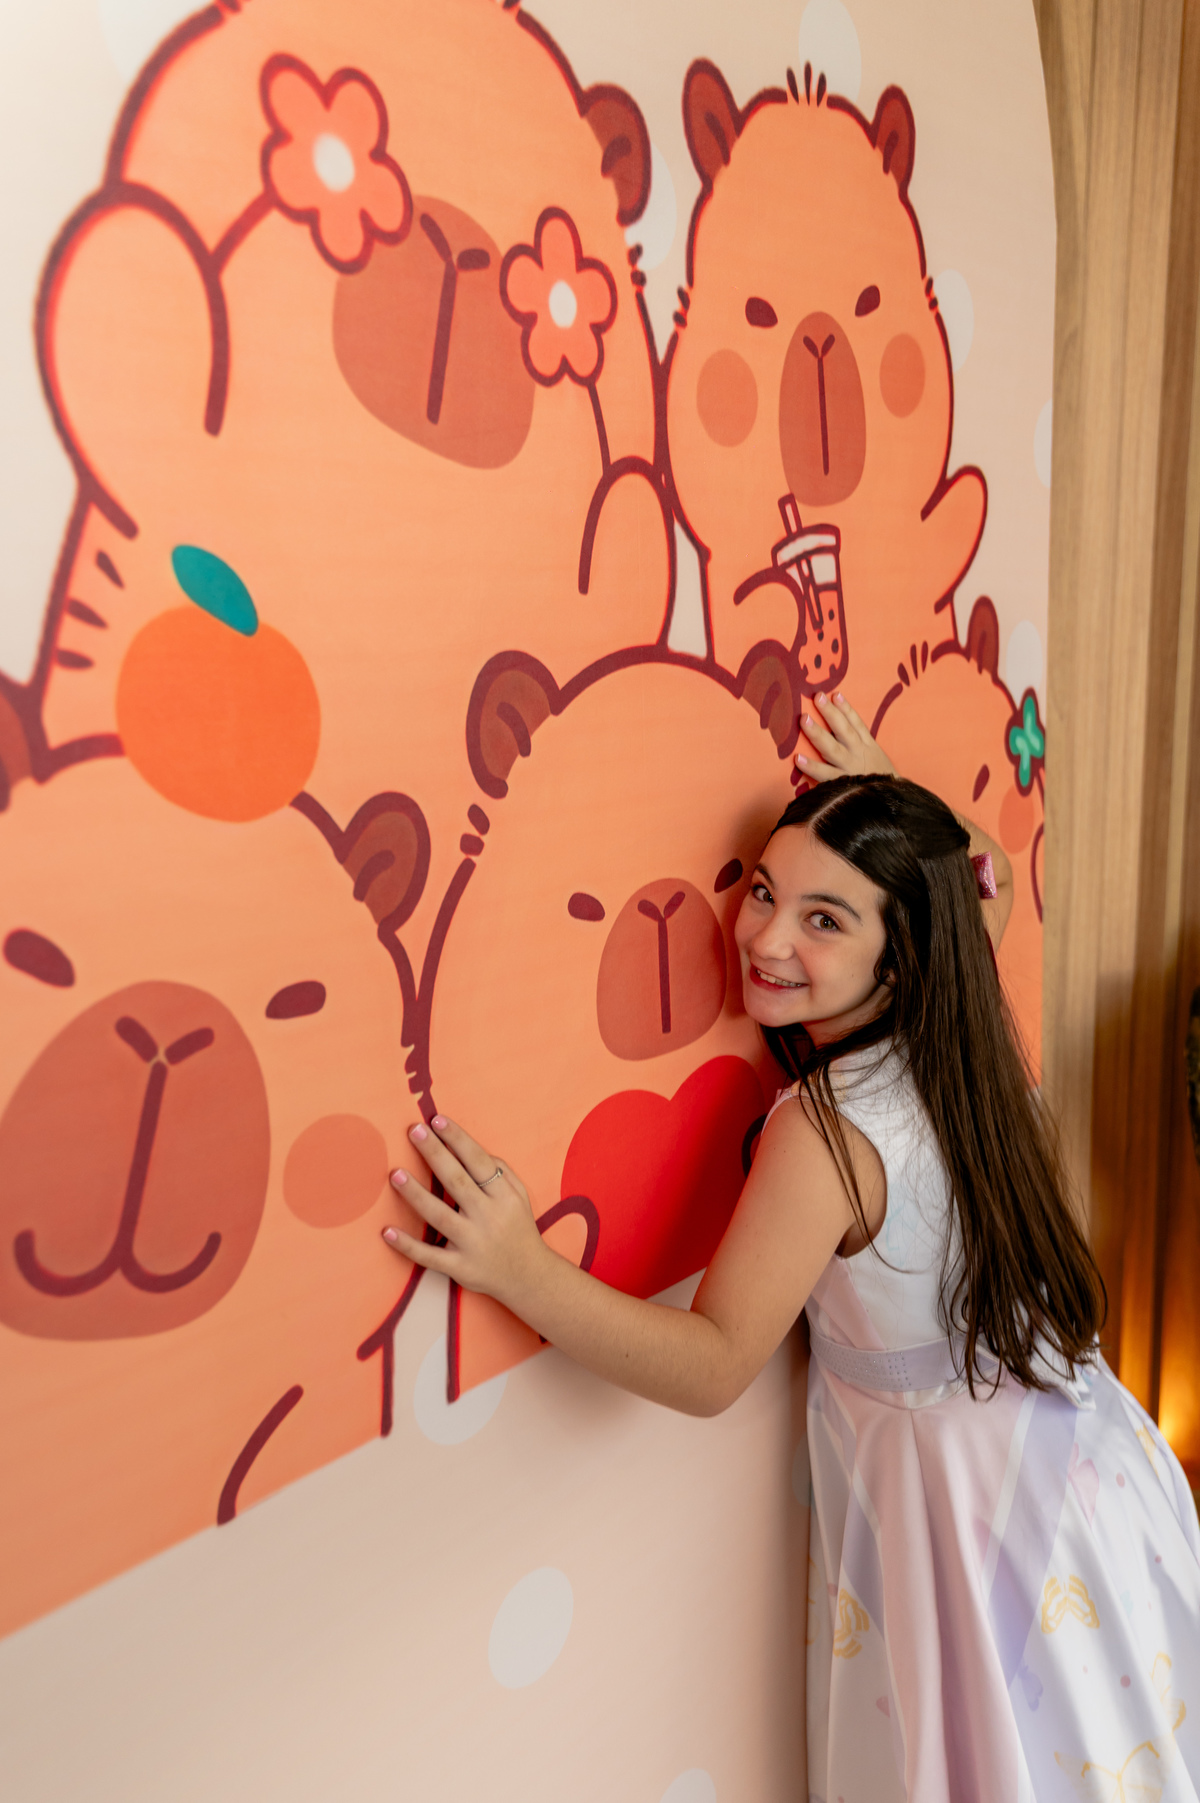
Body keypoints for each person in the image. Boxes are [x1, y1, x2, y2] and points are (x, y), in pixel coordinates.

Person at [383, 691, 1200, 1801]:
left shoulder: (825, 1133)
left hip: (974, 1522)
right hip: (1091, 1461)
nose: (766, 937)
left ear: (905, 953)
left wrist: (524, 1269)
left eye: (826, 920)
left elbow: (717, 1361)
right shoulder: (962, 1026)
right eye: (764, 891)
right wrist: (892, 802)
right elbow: (988, 883)